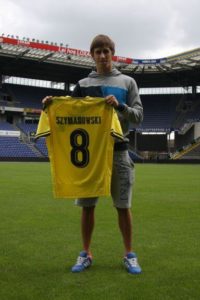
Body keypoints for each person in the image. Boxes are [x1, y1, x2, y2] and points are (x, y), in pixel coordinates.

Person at [42, 34, 143, 274]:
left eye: (106, 50)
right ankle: (86, 253)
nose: (102, 55)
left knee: (123, 206)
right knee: (87, 207)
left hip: (118, 151)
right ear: (92, 55)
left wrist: (119, 106)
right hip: (90, 157)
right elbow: (69, 112)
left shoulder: (128, 82)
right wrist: (51, 104)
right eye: (98, 51)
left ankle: (129, 254)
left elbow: (138, 116)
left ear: (112, 53)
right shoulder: (83, 84)